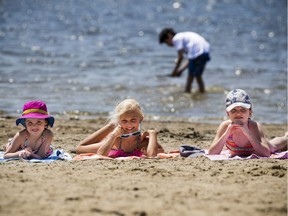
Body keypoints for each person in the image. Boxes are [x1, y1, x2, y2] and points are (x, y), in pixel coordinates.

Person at [208, 89, 287, 157]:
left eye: (243, 110)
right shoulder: (224, 126)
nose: (238, 114)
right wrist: (226, 133)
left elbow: (266, 153)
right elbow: (211, 153)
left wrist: (247, 132)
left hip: (261, 146)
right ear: (228, 113)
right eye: (234, 110)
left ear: (250, 112)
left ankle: (286, 137)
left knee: (272, 146)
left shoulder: (254, 126)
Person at [76, 99, 164, 158]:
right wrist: (113, 135)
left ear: (141, 118)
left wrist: (152, 134)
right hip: (114, 141)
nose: (129, 125)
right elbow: (100, 155)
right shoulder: (116, 139)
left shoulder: (144, 140)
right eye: (124, 121)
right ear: (119, 121)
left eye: (133, 120)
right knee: (80, 148)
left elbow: (152, 156)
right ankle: (111, 125)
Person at [159, 28, 210, 93]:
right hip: (205, 51)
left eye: (166, 42)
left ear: (169, 36)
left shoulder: (176, 38)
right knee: (198, 76)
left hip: (197, 52)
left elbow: (180, 57)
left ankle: (187, 92)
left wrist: (174, 71)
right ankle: (202, 92)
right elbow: (190, 60)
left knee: (190, 77)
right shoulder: (184, 37)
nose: (168, 45)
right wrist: (180, 71)